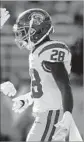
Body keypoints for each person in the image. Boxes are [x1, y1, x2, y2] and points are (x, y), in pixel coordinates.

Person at [0, 8, 82, 141]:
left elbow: (64, 85)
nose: (21, 36)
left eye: (25, 31)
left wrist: (67, 114)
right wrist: (27, 99)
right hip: (47, 114)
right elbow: (46, 87)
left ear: (38, 30)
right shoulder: (37, 52)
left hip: (52, 115)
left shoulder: (49, 51)